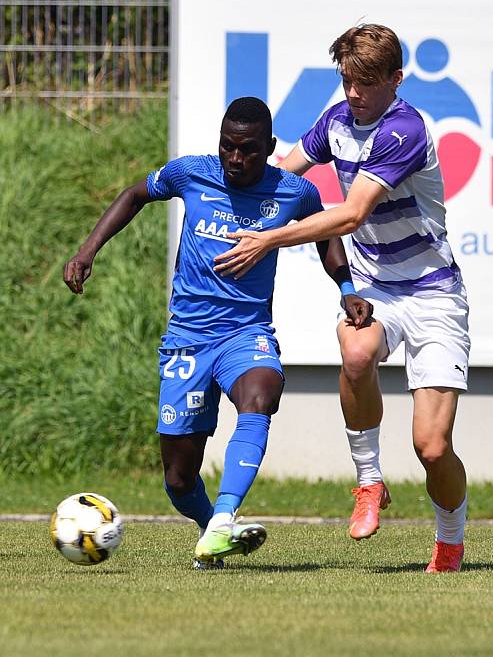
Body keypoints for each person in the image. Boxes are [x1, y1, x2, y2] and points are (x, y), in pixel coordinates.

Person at [63, 96, 372, 569]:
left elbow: (326, 234)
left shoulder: (293, 191)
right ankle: (211, 531)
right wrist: (88, 250)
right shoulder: (191, 173)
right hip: (187, 339)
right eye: (228, 146)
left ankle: (225, 517)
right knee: (179, 479)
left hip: (246, 331)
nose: (235, 158)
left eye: (247, 150)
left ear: (268, 147)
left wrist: (347, 289)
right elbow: (134, 195)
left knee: (262, 392)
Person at [214, 26, 470, 573]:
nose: (354, 93)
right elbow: (283, 174)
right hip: (375, 287)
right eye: (348, 80)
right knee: (355, 352)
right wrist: (223, 197)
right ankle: (369, 482)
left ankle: (450, 539)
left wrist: (269, 238)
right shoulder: (335, 120)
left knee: (431, 446)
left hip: (433, 294)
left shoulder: (404, 130)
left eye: (367, 82)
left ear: (395, 81)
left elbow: (352, 213)